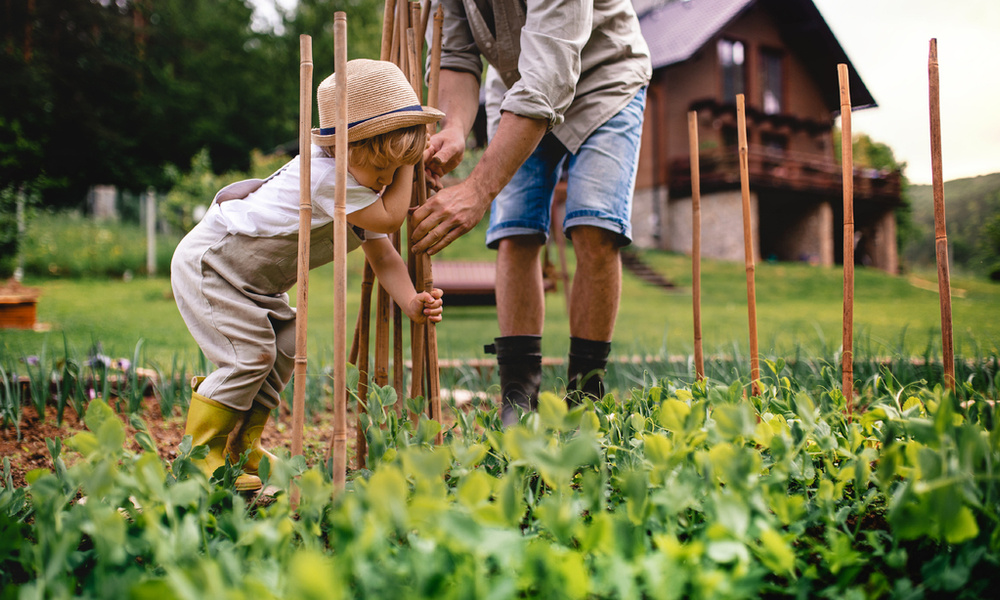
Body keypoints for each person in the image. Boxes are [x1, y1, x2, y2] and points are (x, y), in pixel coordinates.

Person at [171, 59, 445, 490]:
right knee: (249, 357)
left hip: (255, 285)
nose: (387, 183)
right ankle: (199, 459)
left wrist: (411, 300)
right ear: (345, 150)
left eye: (393, 175)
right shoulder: (324, 178)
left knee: (283, 347)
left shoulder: (357, 183)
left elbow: (382, 252)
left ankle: (242, 448)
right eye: (381, 173)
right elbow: (392, 219)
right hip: (214, 267)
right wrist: (410, 162)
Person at [411, 0, 651, 426]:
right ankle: (518, 401)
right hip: (517, 85)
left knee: (595, 227)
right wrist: (452, 128)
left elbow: (550, 74)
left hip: (603, 76)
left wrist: (479, 189)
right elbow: (455, 56)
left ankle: (585, 400)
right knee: (515, 230)